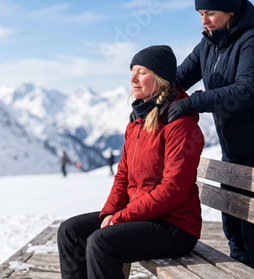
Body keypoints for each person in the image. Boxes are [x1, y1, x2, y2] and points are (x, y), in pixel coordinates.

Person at [57, 45, 205, 279]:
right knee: (70, 231)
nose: (133, 79)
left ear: (160, 78)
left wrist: (121, 218)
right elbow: (122, 177)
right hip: (142, 216)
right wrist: (110, 212)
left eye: (142, 72)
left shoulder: (181, 126)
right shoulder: (136, 122)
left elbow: (172, 190)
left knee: (101, 242)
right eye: (132, 71)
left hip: (174, 227)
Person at [167, 0, 254, 271]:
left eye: (210, 13)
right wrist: (150, 102)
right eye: (200, 13)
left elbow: (247, 90)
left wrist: (194, 103)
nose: (204, 20)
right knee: (234, 233)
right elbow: (178, 79)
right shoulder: (209, 43)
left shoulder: (253, 39)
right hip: (231, 151)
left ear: (231, 11)